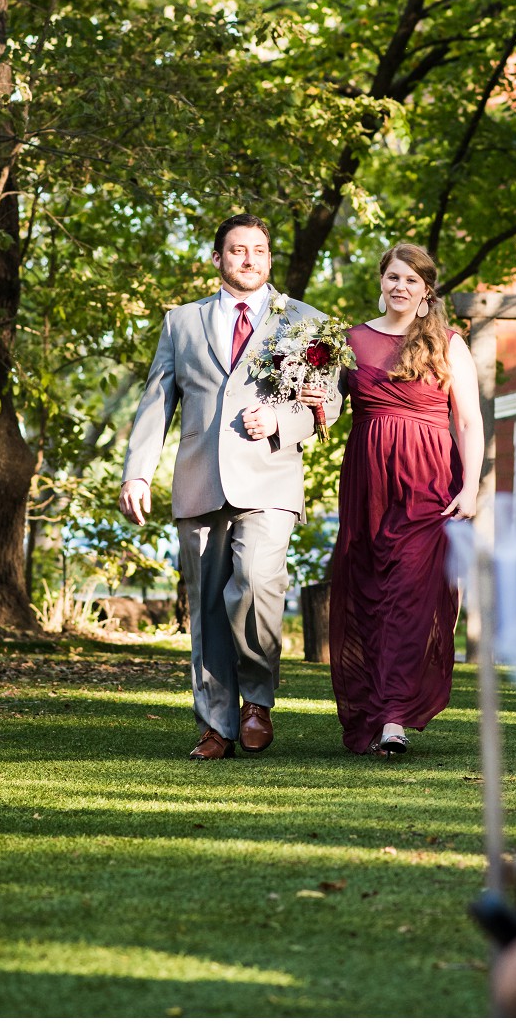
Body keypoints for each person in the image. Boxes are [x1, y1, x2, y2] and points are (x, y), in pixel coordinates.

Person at [118, 214, 339, 759]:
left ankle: (257, 700)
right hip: (200, 480)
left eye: (259, 250)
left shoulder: (305, 322)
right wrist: (137, 472)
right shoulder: (181, 322)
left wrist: (283, 424)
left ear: (269, 258)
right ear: (217, 259)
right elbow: (157, 402)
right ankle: (217, 726)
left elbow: (328, 402)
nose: (249, 259)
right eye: (237, 250)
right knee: (208, 608)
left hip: (270, 478)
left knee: (258, 584)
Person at [316, 244, 483, 755]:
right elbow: (326, 406)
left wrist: (470, 486)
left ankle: (393, 717)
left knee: (410, 593)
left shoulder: (448, 343)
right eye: (393, 277)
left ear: (426, 289)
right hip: (367, 481)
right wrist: (311, 405)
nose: (401, 287)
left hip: (428, 482)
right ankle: (371, 708)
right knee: (368, 588)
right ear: (380, 281)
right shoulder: (351, 341)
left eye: (411, 280)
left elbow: (469, 421)